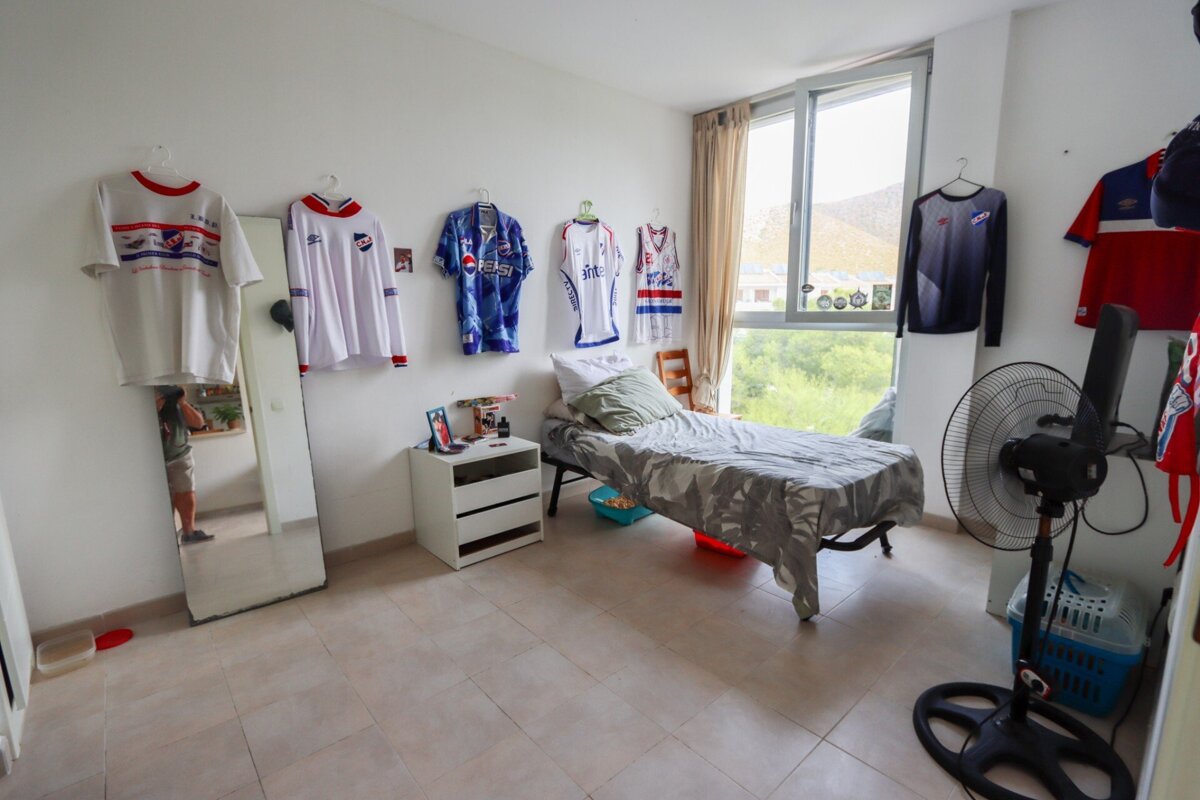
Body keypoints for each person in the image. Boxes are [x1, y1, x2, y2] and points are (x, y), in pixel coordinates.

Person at [155, 385, 213, 544]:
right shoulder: (146, 404)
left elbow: (198, 423)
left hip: (180, 455)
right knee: (161, 499)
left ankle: (189, 532)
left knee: (186, 492)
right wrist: (156, 405)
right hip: (153, 460)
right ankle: (166, 539)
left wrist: (182, 402)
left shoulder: (178, 405)